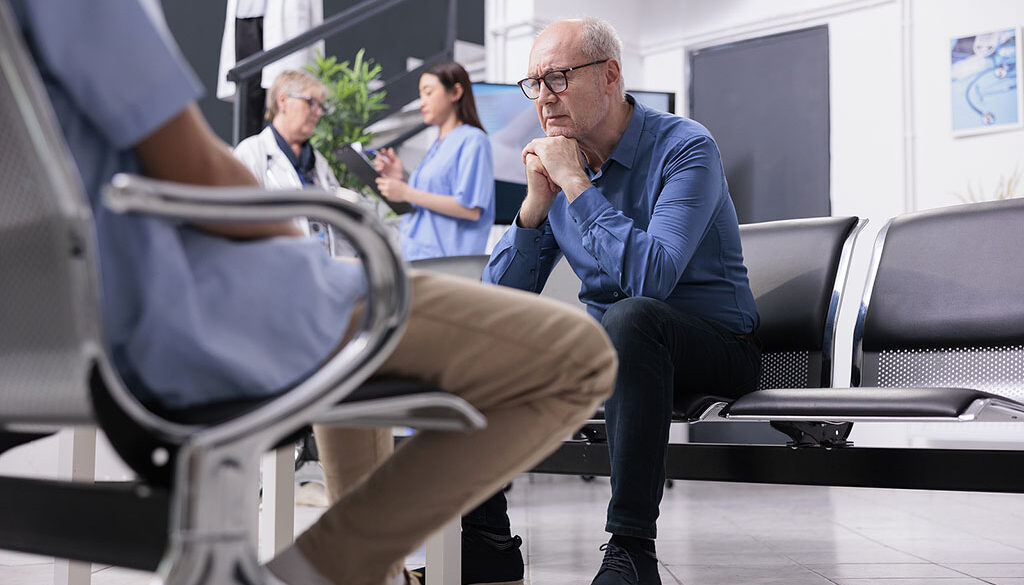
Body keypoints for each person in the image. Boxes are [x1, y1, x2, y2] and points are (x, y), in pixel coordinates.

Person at [9, 3, 618, 585]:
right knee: (578, 359)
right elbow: (193, 167)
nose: (318, 114)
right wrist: (296, 244)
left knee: (354, 339)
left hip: (43, 333)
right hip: (191, 309)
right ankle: (318, 572)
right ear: (281, 101)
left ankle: (374, 573)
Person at [482, 17, 762, 585]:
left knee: (632, 316)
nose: (543, 98)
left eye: (557, 78)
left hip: (713, 348)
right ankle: (483, 539)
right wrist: (536, 206)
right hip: (616, 354)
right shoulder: (558, 172)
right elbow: (500, 304)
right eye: (534, 84)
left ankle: (631, 551)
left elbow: (652, 279)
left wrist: (578, 188)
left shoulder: (685, 148)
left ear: (610, 76)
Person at [374, 62, 495, 261]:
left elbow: (470, 209)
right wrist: (402, 178)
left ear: (455, 92)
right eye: (421, 95)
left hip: (448, 265)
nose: (422, 102)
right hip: (418, 259)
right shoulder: (438, 145)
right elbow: (431, 197)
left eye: (428, 93)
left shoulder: (473, 140)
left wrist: (406, 192)